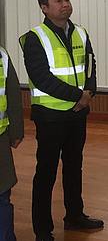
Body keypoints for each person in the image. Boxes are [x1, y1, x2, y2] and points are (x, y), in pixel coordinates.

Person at [20, 0, 103, 241]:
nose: (65, 4)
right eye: (58, 1)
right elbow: (41, 78)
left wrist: (89, 93)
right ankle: (42, 229)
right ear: (44, 8)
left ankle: (74, 216)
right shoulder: (35, 37)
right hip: (50, 115)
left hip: (77, 114)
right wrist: (79, 96)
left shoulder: (80, 32)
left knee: (74, 167)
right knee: (46, 172)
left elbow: (90, 68)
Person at [0, 45, 24, 241]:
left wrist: (16, 131)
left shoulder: (2, 55)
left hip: (0, 138)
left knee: (2, 194)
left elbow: (13, 94)